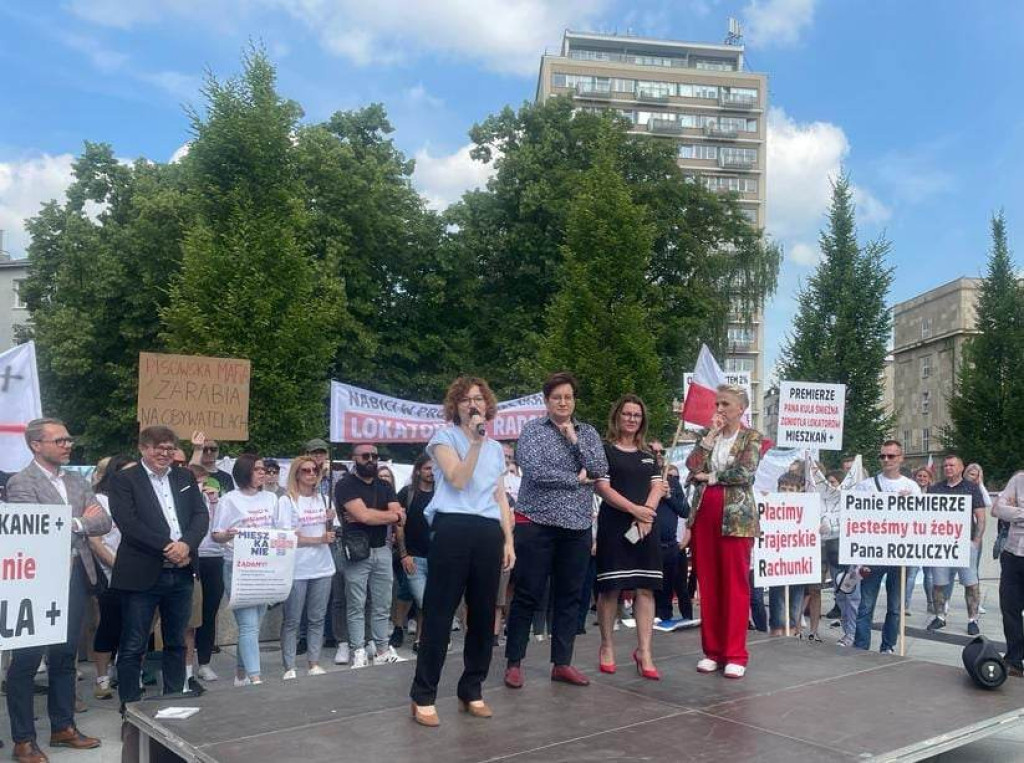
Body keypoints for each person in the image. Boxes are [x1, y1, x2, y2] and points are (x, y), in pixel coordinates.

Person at [409, 376, 515, 726]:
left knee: (484, 615)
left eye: (480, 399)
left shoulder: (497, 449)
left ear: (488, 405)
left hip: (487, 531)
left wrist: (508, 540)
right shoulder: (444, 439)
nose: (474, 405)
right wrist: (475, 441)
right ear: (455, 406)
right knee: (440, 614)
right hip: (453, 526)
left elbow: (499, 497)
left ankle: (472, 688)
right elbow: (458, 479)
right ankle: (423, 695)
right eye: (467, 400)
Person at [5, 418, 109, 761]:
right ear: (36, 444)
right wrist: (78, 520)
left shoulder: (77, 480)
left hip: (75, 577)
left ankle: (63, 726)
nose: (69, 444)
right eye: (60, 440)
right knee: (27, 660)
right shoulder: (22, 482)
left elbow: (103, 521)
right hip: (36, 581)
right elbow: (33, 526)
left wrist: (72, 521)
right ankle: (23, 739)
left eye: (69, 438)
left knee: (65, 655)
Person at [504, 372, 608, 690]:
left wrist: (575, 442)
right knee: (527, 593)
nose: (563, 402)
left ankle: (562, 663)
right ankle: (514, 662)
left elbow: (600, 469)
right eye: (557, 397)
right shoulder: (533, 430)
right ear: (546, 401)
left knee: (569, 597)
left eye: (568, 396)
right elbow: (535, 471)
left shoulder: (587, 432)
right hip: (537, 523)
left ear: (574, 400)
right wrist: (576, 479)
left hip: (576, 525)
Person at [110, 425, 209, 706]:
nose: (164, 454)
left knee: (177, 642)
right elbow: (128, 523)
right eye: (158, 448)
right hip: (143, 573)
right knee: (133, 645)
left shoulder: (184, 476)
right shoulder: (125, 480)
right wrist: (168, 546)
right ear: (143, 448)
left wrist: (186, 545)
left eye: (169, 448)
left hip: (181, 573)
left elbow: (200, 516)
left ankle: (173, 700)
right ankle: (130, 708)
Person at [685, 384, 762, 679]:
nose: (719, 410)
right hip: (705, 512)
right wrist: (709, 439)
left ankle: (735, 653)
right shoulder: (708, 436)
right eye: (717, 404)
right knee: (708, 581)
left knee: (734, 583)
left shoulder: (751, 437)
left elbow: (745, 472)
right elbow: (691, 467)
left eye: (725, 405)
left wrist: (712, 476)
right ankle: (712, 651)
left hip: (736, 517)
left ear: (740, 408)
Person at [594, 395, 667, 679]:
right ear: (618, 416)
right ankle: (607, 645)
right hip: (615, 525)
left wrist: (647, 513)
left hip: (646, 528)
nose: (632, 419)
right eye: (627, 414)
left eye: (637, 415)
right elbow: (602, 488)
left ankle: (644, 651)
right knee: (610, 588)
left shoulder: (649, 453)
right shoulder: (605, 451)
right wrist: (634, 510)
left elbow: (658, 486)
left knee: (645, 589)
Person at [335, 443, 406, 668]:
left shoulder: (384, 485)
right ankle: (358, 650)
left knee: (382, 604)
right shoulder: (345, 484)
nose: (371, 459)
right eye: (365, 455)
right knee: (356, 604)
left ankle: (382, 649)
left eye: (375, 456)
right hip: (357, 551)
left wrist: (374, 516)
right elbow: (365, 516)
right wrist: (389, 516)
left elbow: (400, 516)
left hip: (382, 550)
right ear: (354, 458)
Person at [211, 454, 276, 686]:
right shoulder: (229, 500)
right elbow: (216, 534)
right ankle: (255, 677)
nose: (263, 473)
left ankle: (241, 675)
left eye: (264, 469)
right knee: (248, 625)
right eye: (258, 469)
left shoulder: (271, 498)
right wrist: (229, 534)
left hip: (265, 568)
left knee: (253, 626)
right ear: (245, 471)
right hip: (238, 567)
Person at [853, 440, 921, 653]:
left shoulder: (911, 487)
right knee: (865, 606)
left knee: (895, 607)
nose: (886, 460)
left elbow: (921, 520)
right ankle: (861, 645)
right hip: (873, 554)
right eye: (882, 456)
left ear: (901, 458)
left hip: (899, 556)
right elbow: (856, 516)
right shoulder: (867, 485)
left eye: (891, 456)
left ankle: (888, 646)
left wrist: (909, 504)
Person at [277, 455, 336, 679]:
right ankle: (289, 666)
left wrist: (331, 520)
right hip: (296, 567)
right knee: (292, 619)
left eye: (314, 470)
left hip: (322, 566)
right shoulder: (287, 501)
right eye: (306, 470)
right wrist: (318, 540)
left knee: (317, 617)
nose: (311, 474)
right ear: (296, 474)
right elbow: (287, 536)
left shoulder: (323, 499)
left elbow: (331, 532)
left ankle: (313, 662)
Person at [88, 454, 137, 700]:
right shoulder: (99, 500)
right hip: (109, 573)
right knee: (108, 624)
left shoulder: (136, 499)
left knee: (135, 625)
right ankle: (102, 678)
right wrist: (117, 567)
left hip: (136, 572)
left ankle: (128, 671)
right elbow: (96, 541)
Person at [926, 454, 986, 636]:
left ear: (961, 467)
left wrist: (976, 541)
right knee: (938, 583)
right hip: (941, 543)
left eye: (952, 465)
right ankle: (940, 616)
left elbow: (981, 517)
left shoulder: (972, 488)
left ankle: (972, 620)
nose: (948, 468)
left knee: (971, 583)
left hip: (965, 542)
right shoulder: (935, 488)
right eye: (945, 466)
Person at [394, 455, 434, 649]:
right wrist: (404, 554)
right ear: (418, 470)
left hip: (436, 557)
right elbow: (399, 526)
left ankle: (420, 638)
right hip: (413, 557)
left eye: (434, 468)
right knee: (418, 598)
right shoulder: (407, 493)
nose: (431, 472)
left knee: (422, 599)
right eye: (427, 468)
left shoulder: (441, 494)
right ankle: (398, 627)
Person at [191, 463, 225, 682]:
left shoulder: (218, 502)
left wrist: (214, 501)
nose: (202, 486)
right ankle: (183, 664)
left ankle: (204, 662)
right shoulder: (183, 501)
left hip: (214, 558)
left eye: (205, 482)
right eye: (197, 482)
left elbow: (219, 529)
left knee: (209, 612)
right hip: (191, 558)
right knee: (188, 616)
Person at [768, 471, 807, 638]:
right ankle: (776, 636)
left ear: (800, 491)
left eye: (791, 489)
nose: (786, 492)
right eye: (783, 488)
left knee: (794, 605)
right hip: (777, 565)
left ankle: (790, 636)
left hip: (798, 566)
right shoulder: (770, 507)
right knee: (778, 604)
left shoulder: (808, 510)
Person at [993, 469, 1024, 677]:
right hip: (1012, 554)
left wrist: (1015, 511)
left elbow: (1007, 510)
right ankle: (1014, 659)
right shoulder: (1018, 480)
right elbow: (997, 509)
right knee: (1010, 610)